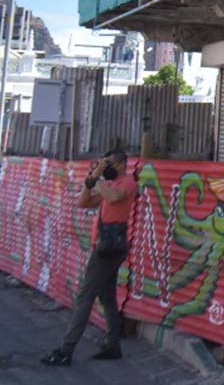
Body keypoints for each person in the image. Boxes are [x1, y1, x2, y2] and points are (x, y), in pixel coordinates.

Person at [40, 148, 137, 366]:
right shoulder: (108, 185)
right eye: (105, 163)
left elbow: (113, 198)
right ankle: (112, 344)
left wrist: (100, 177)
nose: (108, 167)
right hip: (104, 246)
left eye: (110, 163)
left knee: (85, 297)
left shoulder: (127, 182)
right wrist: (90, 181)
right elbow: (82, 202)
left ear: (121, 164)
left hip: (109, 249)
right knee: (107, 297)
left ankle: (66, 349)